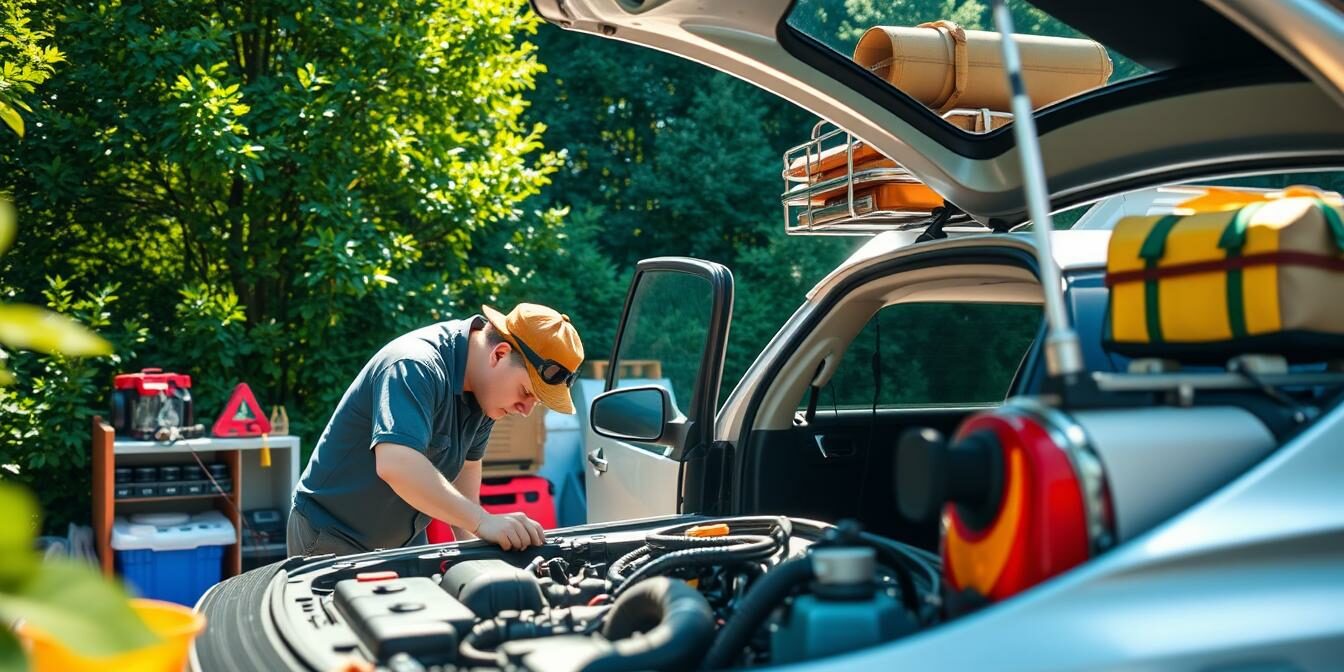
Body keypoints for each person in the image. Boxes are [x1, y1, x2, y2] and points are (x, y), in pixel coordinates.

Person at [287, 303, 583, 556]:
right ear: (499, 354)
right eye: (526, 392)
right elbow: (396, 463)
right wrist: (483, 521)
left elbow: (467, 468)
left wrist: (478, 550)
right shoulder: (414, 365)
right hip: (332, 538)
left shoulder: (487, 392)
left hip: (403, 541)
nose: (526, 410)